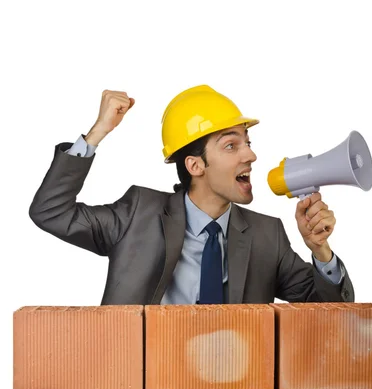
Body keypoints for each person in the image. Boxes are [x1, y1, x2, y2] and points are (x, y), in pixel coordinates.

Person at [29, 85, 354, 305]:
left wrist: (320, 250)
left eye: (248, 142)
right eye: (231, 145)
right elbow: (51, 212)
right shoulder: (137, 215)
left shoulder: (267, 236)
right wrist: (97, 132)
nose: (251, 156)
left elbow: (331, 309)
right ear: (195, 165)